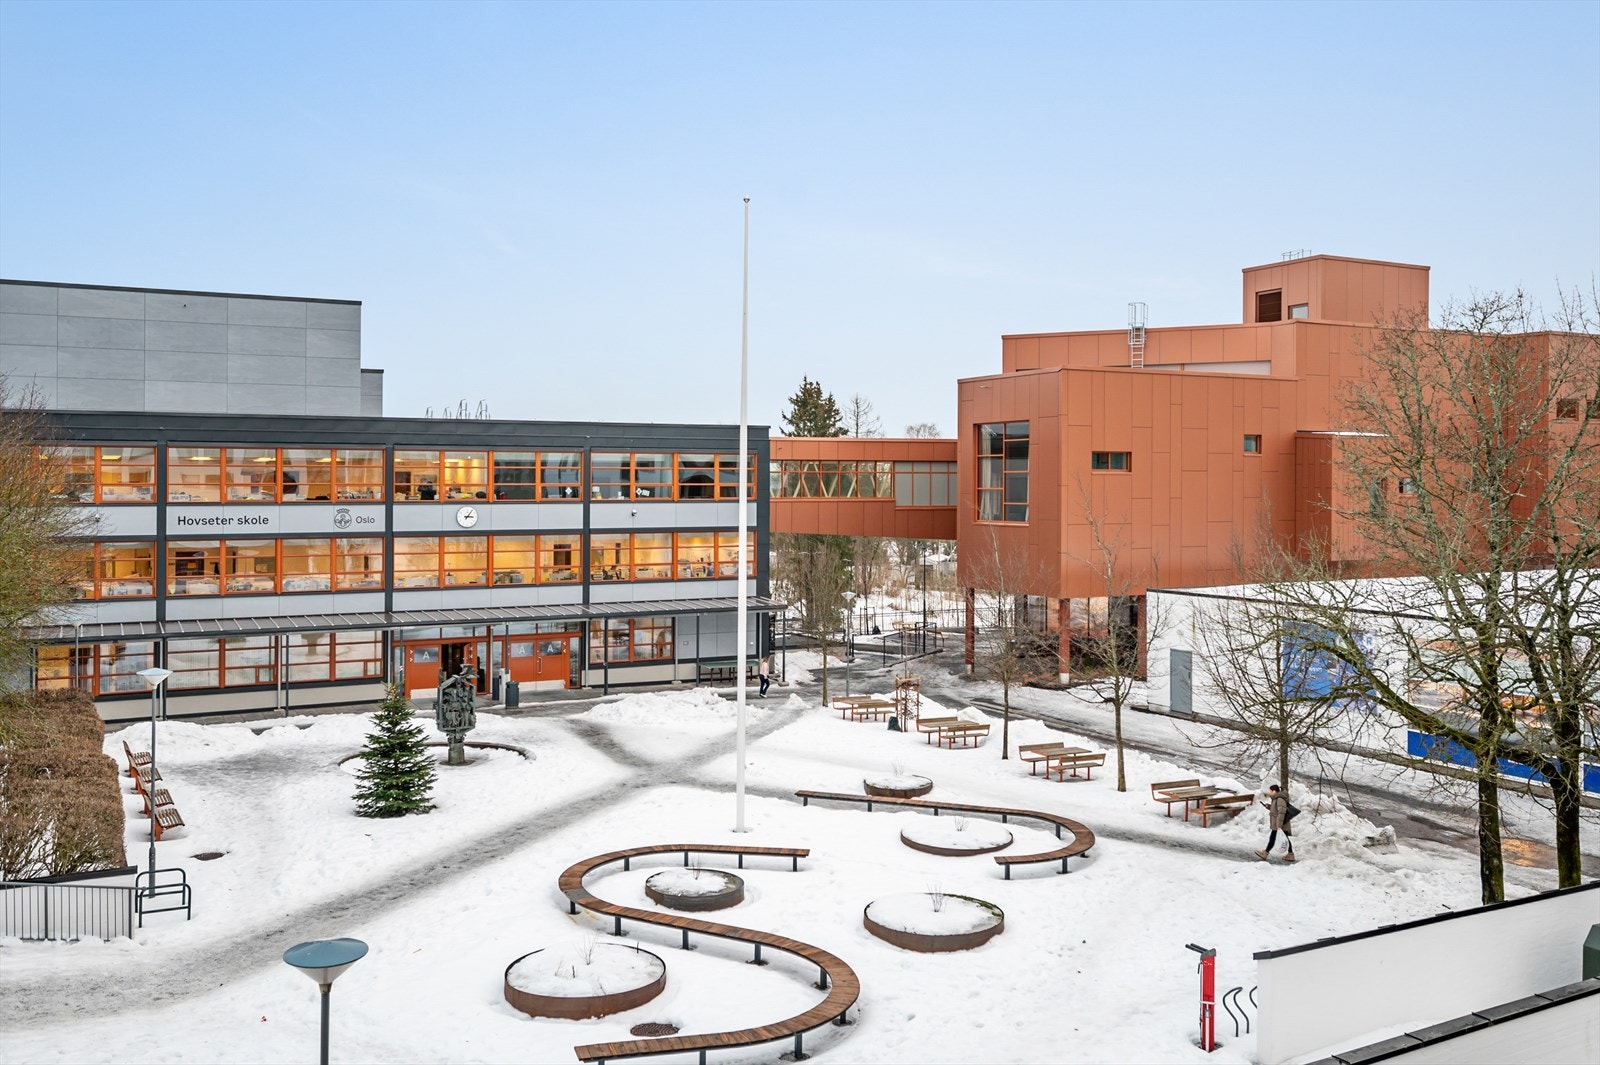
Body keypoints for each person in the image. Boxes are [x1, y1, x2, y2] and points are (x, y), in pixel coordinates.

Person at [1256, 784, 1299, 862]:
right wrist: (1269, 807)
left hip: (1280, 824)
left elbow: (1282, 812)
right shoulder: (1276, 799)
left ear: (1274, 791)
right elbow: (1276, 810)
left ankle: (1265, 853)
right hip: (1279, 823)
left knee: (1273, 838)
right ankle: (1290, 854)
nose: (1269, 792)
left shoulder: (1280, 799)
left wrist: (1279, 825)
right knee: (1283, 838)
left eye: (1270, 791)